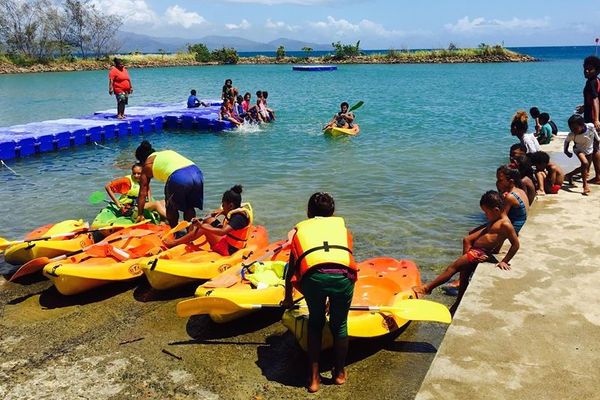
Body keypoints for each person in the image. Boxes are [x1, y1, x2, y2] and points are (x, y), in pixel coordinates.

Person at [281, 192, 357, 393]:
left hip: (314, 279)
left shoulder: (300, 233)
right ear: (332, 213)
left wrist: (288, 298)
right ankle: (339, 374)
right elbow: (344, 260)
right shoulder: (343, 231)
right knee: (339, 324)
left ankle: (314, 379)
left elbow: (291, 270)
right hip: (343, 278)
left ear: (308, 212)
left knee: (315, 323)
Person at [413, 191, 519, 315]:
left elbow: (515, 244)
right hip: (476, 251)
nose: (485, 215)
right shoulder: (496, 219)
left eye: (486, 212)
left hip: (478, 253)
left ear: (496, 210)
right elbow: (475, 237)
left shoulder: (505, 224)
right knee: (463, 278)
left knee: (451, 268)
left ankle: (427, 288)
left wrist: (504, 261)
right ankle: (458, 304)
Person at [163, 185, 252, 255]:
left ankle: (175, 242)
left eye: (223, 204)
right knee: (209, 219)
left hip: (230, 249)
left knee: (204, 227)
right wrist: (221, 212)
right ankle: (190, 237)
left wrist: (201, 226)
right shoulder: (238, 209)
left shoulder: (239, 217)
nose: (222, 206)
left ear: (231, 206)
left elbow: (222, 232)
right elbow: (229, 218)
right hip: (229, 241)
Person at [134, 140, 204, 228]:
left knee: (171, 208)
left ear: (142, 161)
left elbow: (142, 193)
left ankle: (175, 233)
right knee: (189, 207)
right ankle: (191, 232)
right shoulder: (167, 152)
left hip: (179, 176)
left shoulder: (147, 164)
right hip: (197, 173)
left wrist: (140, 214)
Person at [563, 114, 600, 195]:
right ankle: (585, 186)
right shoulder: (572, 134)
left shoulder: (590, 126)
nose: (573, 130)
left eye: (575, 128)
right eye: (571, 128)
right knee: (585, 163)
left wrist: (597, 140)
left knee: (585, 168)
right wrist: (566, 151)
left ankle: (569, 175)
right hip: (578, 149)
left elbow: (594, 133)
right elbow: (566, 141)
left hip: (589, 150)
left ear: (583, 125)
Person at [496, 165, 529, 234]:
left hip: (514, 229)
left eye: (500, 180)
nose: (497, 183)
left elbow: (500, 217)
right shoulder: (520, 191)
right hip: (520, 225)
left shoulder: (510, 197)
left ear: (511, 182)